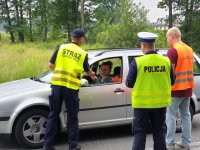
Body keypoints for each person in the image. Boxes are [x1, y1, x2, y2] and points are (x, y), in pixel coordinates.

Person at [43, 28, 96, 150]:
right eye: (84, 39)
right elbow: (88, 71)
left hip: (56, 86)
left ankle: (47, 145)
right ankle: (73, 146)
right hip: (71, 88)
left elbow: (50, 66)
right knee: (72, 117)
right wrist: (92, 75)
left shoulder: (60, 47)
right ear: (81, 39)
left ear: (72, 38)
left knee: (53, 115)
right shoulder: (82, 54)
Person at [126, 32, 175, 150]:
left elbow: (129, 83)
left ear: (142, 45)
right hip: (160, 104)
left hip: (141, 105)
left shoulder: (137, 62)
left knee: (140, 133)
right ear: (154, 45)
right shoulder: (166, 61)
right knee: (159, 133)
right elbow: (172, 81)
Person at [166, 27, 194, 150]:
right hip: (187, 88)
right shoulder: (189, 49)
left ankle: (170, 143)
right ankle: (186, 143)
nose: (167, 40)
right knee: (186, 115)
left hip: (175, 89)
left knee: (171, 116)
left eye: (167, 38)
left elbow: (169, 72)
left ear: (172, 36)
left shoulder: (173, 51)